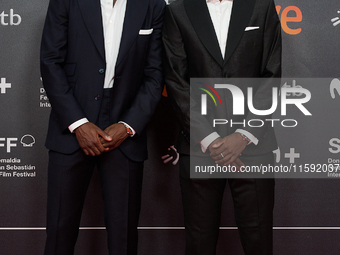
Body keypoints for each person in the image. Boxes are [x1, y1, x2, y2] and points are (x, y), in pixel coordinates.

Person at [40, 0, 165, 254]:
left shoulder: (153, 5)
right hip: (72, 125)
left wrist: (128, 125)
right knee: (59, 234)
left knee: (124, 236)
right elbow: (50, 62)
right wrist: (78, 124)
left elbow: (155, 75)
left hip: (125, 126)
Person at [163, 0, 281, 254]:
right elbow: (176, 80)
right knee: (199, 244)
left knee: (259, 242)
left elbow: (271, 74)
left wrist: (244, 135)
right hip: (200, 148)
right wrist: (211, 139)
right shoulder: (178, 11)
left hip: (253, 148)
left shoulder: (261, 6)